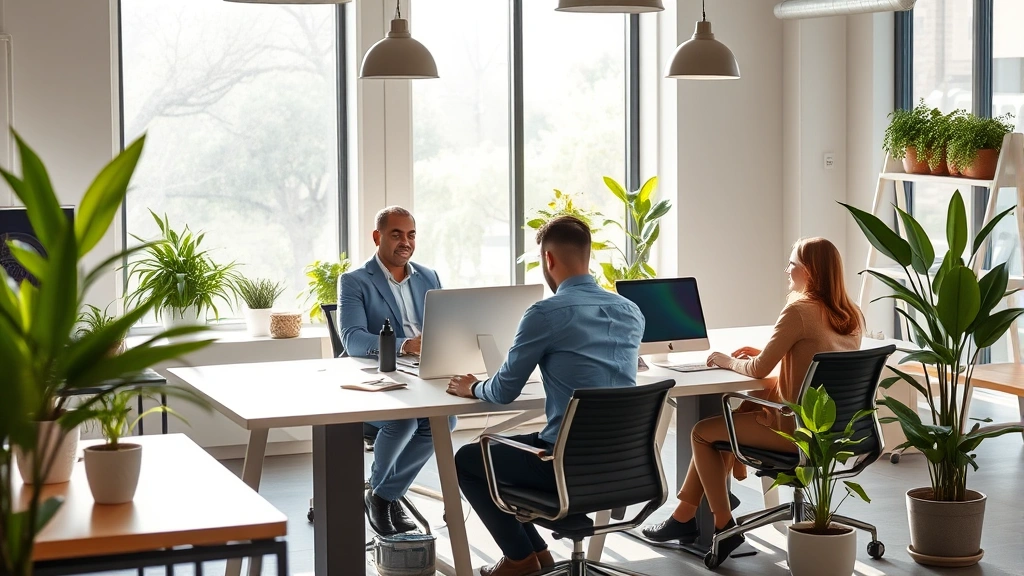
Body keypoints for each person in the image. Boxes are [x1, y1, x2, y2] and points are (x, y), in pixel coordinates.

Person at [640, 237, 864, 565]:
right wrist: (778, 352)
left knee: (703, 433)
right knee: (730, 423)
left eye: (792, 264)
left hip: (793, 432)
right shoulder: (851, 313)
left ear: (809, 271)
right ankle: (684, 515)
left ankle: (723, 524)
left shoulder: (799, 311)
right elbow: (820, 360)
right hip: (832, 433)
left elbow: (758, 370)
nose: (786, 270)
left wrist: (726, 360)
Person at [447, 215, 645, 576]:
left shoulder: (545, 313)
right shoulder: (630, 310)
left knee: (468, 459)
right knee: (510, 446)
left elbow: (503, 391)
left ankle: (520, 559)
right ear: (588, 256)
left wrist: (472, 387)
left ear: (548, 259)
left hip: (563, 468)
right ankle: (537, 554)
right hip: (623, 466)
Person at [339, 205, 455, 536]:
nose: (406, 242)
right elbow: (353, 339)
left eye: (411, 235)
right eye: (396, 234)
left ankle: (382, 495)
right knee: (403, 420)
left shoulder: (429, 277)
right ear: (377, 237)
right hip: (379, 375)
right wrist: (405, 345)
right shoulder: (355, 281)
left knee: (445, 420)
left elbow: (446, 325)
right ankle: (384, 496)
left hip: (423, 372)